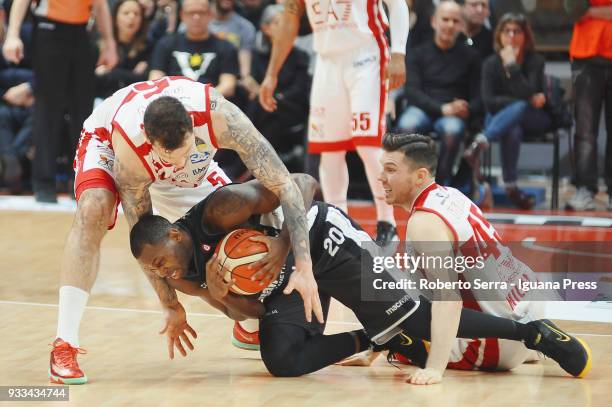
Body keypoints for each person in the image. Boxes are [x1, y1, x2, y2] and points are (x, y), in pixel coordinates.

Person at [128, 172, 592, 385]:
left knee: (417, 319)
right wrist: (224, 295)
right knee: (282, 360)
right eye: (152, 270)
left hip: (320, 242)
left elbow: (305, 184)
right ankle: (375, 340)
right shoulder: (184, 278)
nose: (160, 272)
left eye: (160, 260)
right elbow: (255, 311)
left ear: (174, 232)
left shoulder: (220, 208)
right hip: (287, 284)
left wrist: (287, 245)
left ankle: (532, 334)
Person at [47, 76, 322, 385]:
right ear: (151, 142)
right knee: (93, 210)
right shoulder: (130, 150)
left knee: (247, 221)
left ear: (193, 126)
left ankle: (248, 325)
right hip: (108, 141)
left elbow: (284, 184)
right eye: (171, 156)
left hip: (189, 173)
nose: (179, 161)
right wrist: (170, 304)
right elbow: (143, 234)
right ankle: (64, 344)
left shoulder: (222, 117)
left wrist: (304, 263)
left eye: (186, 149)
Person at [371, 132, 591, 381]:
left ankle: (522, 349)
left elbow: (448, 300)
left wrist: (434, 368)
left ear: (420, 175)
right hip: (529, 305)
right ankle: (532, 348)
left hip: (495, 343)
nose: (380, 177)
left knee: (404, 341)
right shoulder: (450, 195)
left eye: (390, 169)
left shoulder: (424, 223)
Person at [259, 0, 410, 246]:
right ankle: (339, 224)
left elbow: (397, 4)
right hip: (327, 61)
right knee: (328, 151)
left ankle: (387, 222)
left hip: (366, 54)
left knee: (369, 145)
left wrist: (399, 53)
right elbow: (289, 18)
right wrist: (271, 73)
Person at [2, 0, 118, 202]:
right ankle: (44, 182)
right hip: (49, 28)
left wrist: (109, 43)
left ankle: (83, 180)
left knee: (83, 112)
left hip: (82, 31)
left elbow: (99, 5)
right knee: (48, 109)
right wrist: (12, 35)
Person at [463, 13, 550, 209]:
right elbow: (490, 102)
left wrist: (511, 65)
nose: (511, 36)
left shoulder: (535, 61)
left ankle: (481, 141)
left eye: (517, 31)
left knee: (520, 108)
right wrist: (524, 98)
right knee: (513, 127)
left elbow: (531, 93)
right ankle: (512, 188)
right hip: (501, 120)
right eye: (507, 31)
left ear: (525, 36)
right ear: (499, 36)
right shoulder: (490, 64)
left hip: (534, 119)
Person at [397, 1, 482, 187]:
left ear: (461, 25)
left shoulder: (471, 57)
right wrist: (443, 109)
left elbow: (479, 97)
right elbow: (412, 92)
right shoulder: (418, 53)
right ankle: (411, 182)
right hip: (422, 108)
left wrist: (467, 108)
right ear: (434, 21)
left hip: (453, 113)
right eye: (445, 19)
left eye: (455, 21)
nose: (450, 25)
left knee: (453, 130)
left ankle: (440, 184)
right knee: (406, 125)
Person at [565, 0, 612, 211]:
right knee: (585, 131)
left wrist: (592, 11)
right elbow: (574, 10)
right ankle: (585, 188)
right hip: (586, 57)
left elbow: (585, 11)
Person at [149, 0, 239, 99]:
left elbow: (228, 86)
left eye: (201, 12)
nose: (196, 17)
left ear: (210, 15)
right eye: (191, 13)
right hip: (172, 104)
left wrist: (200, 100)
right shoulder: (165, 44)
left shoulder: (226, 47)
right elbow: (155, 79)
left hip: (211, 105)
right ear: (182, 15)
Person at [95, 0, 152, 99]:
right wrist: (132, 75)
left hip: (135, 101)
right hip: (103, 100)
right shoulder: (100, 45)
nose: (131, 17)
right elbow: (92, 79)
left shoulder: (148, 47)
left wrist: (109, 73)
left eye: (136, 14)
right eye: (126, 13)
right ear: (115, 18)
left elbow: (146, 81)